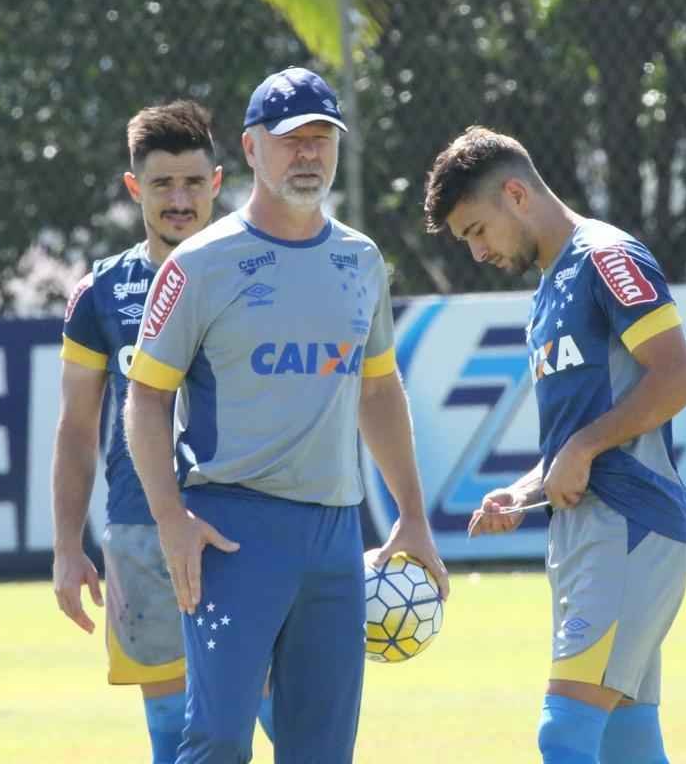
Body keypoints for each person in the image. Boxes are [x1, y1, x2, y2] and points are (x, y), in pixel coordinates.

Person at [123, 66, 448, 764]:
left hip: (336, 535)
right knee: (217, 740)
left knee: (321, 749)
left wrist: (412, 514)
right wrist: (169, 518)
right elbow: (145, 397)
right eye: (290, 139)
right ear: (249, 149)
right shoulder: (199, 264)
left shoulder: (361, 259)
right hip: (233, 533)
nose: (308, 154)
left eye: (321, 138)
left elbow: (380, 390)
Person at [425, 126, 686, 764]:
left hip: (631, 522)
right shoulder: (548, 289)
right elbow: (578, 435)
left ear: (515, 193)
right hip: (586, 532)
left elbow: (678, 376)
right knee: (626, 740)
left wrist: (580, 449)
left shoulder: (608, 256)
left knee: (566, 731)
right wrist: (524, 489)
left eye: (477, 231)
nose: (478, 252)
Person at [51, 100, 277, 764]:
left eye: (191, 183)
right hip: (141, 533)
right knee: (174, 733)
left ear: (217, 182)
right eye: (160, 185)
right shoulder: (99, 292)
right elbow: (75, 428)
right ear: (133, 188)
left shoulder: (263, 272)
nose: (178, 200)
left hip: (249, 526)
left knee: (284, 720)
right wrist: (68, 547)